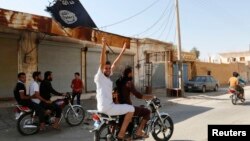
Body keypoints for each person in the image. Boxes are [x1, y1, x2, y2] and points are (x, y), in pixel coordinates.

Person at [94, 37, 134, 140]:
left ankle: (116, 131)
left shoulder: (107, 76)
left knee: (121, 106)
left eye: (108, 68)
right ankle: (122, 134)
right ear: (102, 69)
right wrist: (103, 44)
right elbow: (101, 62)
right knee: (131, 109)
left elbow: (115, 64)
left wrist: (123, 50)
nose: (108, 69)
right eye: (106, 68)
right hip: (108, 107)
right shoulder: (100, 76)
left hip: (106, 106)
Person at [116, 66, 154, 139]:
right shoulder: (129, 83)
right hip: (127, 107)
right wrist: (149, 97)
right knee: (147, 112)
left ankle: (131, 131)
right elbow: (138, 95)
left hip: (119, 106)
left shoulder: (119, 81)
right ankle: (139, 131)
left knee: (140, 108)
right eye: (132, 73)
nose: (133, 74)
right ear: (129, 73)